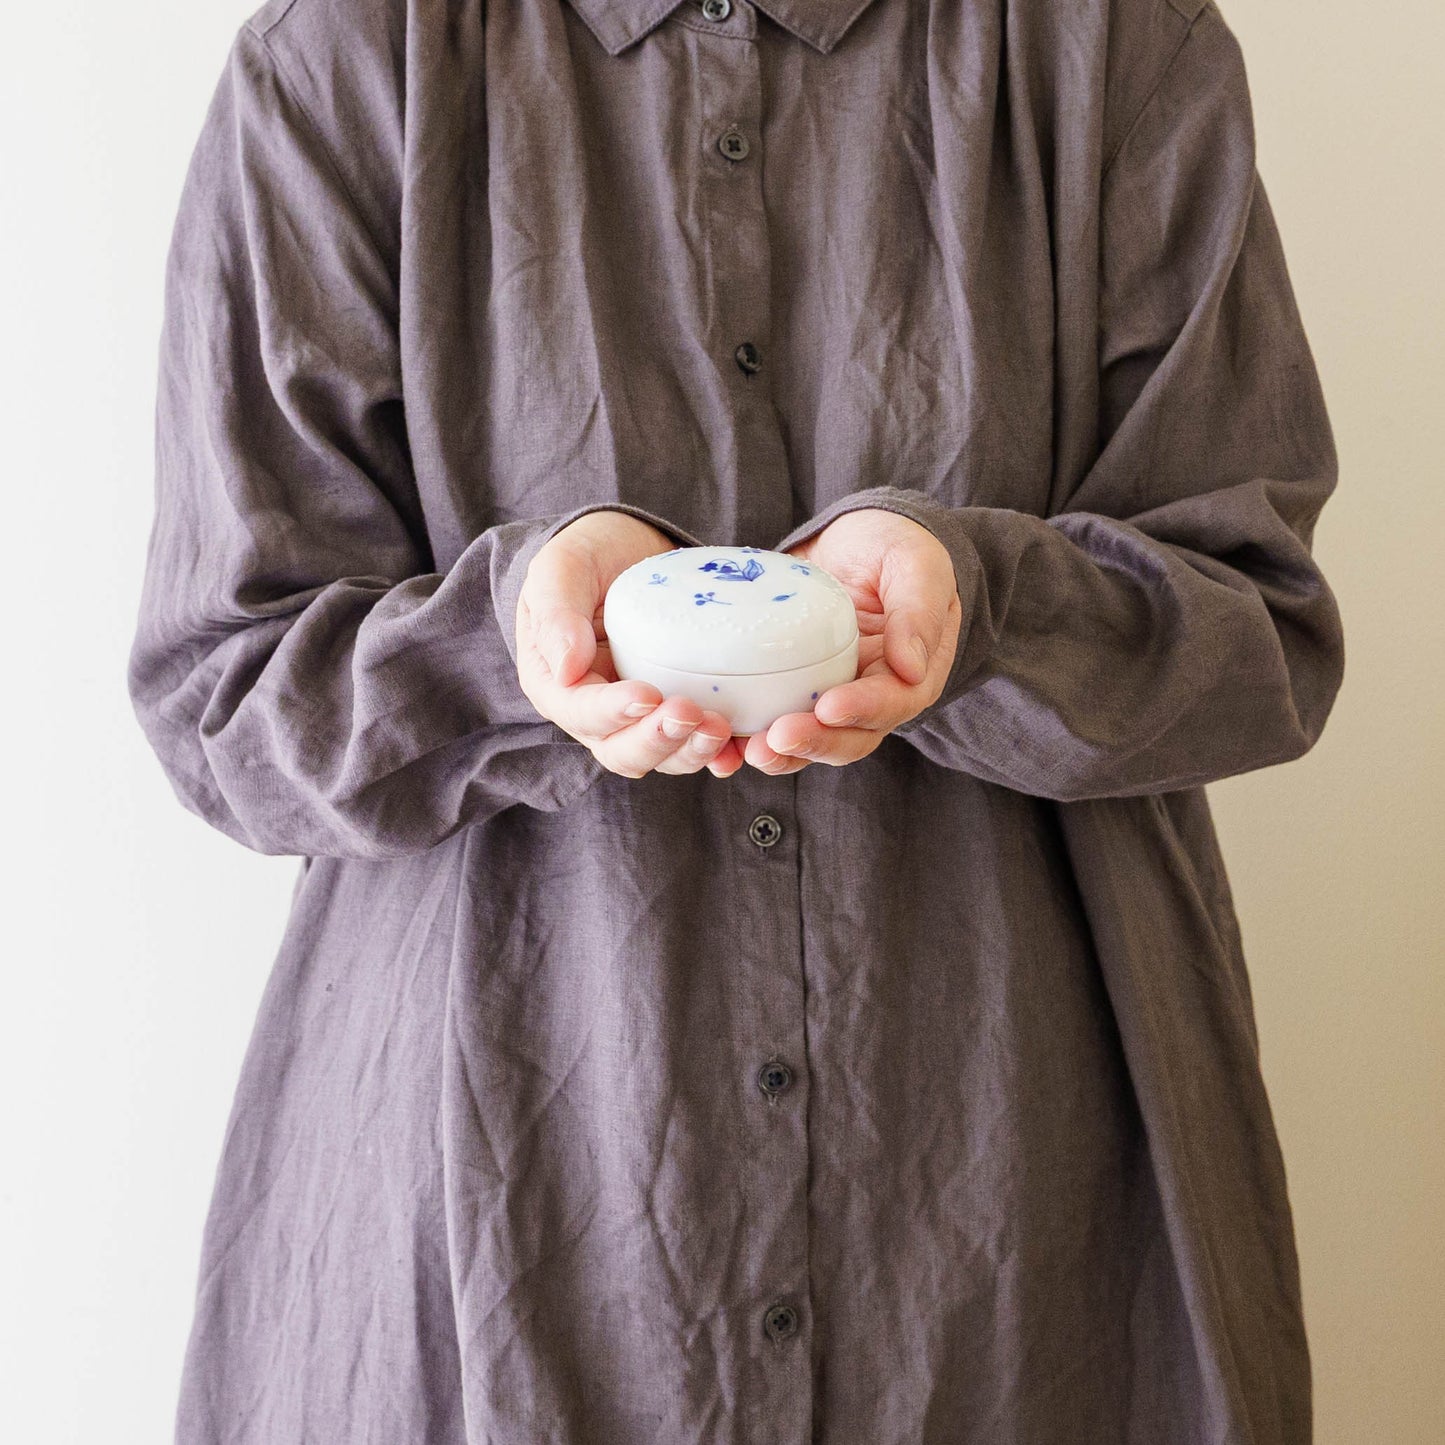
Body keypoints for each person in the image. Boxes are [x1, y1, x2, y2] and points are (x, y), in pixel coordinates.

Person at [127, 0, 1345, 1439]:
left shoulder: (1112, 46)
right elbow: (227, 694)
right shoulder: (347, 60)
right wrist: (511, 635)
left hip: (1017, 1250)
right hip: (484, 1241)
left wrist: (983, 605)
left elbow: (1261, 630)